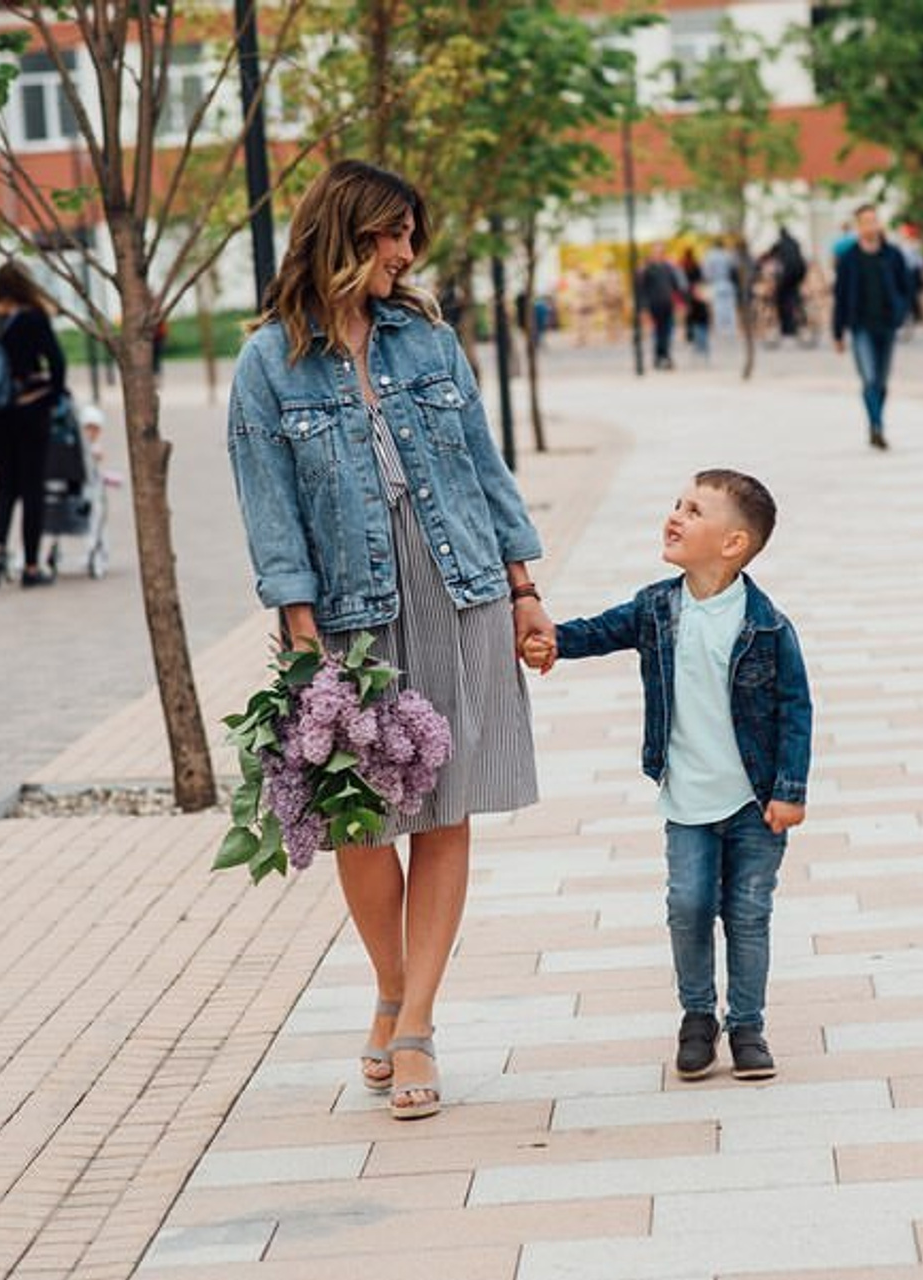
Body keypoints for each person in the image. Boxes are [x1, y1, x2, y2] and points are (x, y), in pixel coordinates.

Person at [227, 159, 554, 1121]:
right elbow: (268, 507)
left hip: (459, 589)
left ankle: (415, 1024)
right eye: (392, 235)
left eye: (412, 236)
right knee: (361, 819)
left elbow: (485, 468)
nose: (407, 254)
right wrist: (300, 632)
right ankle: (389, 989)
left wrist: (525, 587)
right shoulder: (268, 365)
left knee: (446, 805)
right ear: (347, 234)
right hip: (349, 611)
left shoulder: (428, 343)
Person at [523, 470, 812, 1081]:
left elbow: (796, 709)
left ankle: (748, 1026)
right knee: (688, 903)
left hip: (755, 802)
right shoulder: (658, 607)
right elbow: (601, 631)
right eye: (677, 505)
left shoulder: (766, 625)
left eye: (694, 511)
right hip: (687, 798)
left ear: (733, 544)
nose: (675, 516)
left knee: (748, 911)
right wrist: (550, 641)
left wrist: (790, 792)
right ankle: (698, 1016)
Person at [0, 261, 67, 589]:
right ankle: (31, 568)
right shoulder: (34, 318)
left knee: (4, 486)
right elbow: (57, 363)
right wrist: (51, 398)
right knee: (32, 487)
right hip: (30, 411)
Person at [831, 204, 913, 450]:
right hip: (860, 327)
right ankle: (876, 426)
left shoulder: (892, 255)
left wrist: (901, 310)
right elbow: (841, 296)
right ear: (858, 226)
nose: (870, 226)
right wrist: (838, 332)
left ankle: (876, 423)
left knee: (882, 381)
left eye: (874, 220)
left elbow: (907, 286)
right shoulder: (849, 259)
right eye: (865, 221)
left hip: (887, 325)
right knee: (869, 378)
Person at [638, 242, 685, 370]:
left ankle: (664, 356)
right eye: (657, 252)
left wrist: (679, 302)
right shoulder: (647, 269)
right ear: (652, 253)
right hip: (654, 305)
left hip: (667, 304)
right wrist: (643, 308)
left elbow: (676, 286)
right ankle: (660, 357)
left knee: (667, 331)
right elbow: (642, 289)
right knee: (658, 332)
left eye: (661, 252)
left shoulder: (668, 268)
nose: (659, 254)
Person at [772, 226, 807, 336]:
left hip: (788, 273)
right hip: (800, 271)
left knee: (780, 297)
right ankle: (800, 310)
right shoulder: (795, 242)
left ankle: (787, 327)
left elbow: (770, 253)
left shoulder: (780, 243)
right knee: (793, 292)